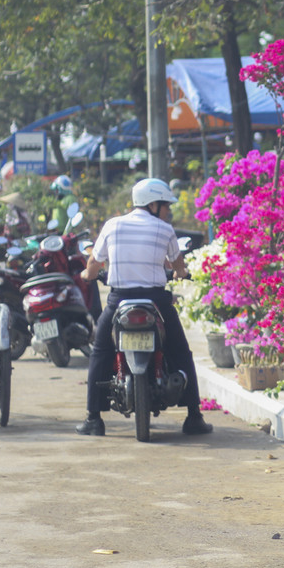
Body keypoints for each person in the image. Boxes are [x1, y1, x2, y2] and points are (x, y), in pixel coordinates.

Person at [76, 178, 211, 438]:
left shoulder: (113, 225)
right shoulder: (164, 229)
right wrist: (181, 274)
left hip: (119, 301)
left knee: (101, 351)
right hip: (156, 301)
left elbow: (94, 263)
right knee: (181, 351)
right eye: (166, 205)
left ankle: (94, 419)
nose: (168, 211)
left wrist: (87, 275)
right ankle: (194, 416)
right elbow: (177, 266)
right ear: (153, 204)